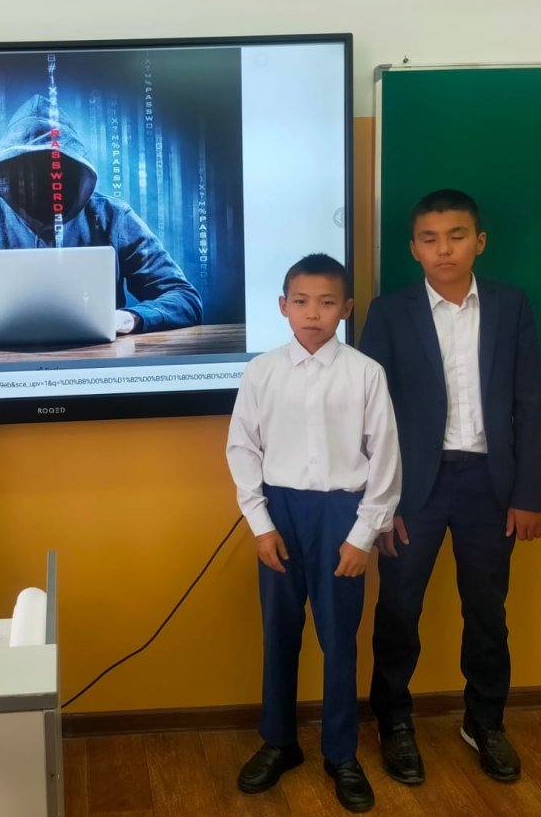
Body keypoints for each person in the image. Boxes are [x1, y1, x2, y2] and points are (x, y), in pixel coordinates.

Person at [360, 189, 541, 785]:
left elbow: (529, 404)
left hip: (489, 485)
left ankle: (484, 721)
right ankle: (393, 720)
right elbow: (370, 414)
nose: (444, 249)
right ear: (413, 248)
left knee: (487, 611)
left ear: (479, 242)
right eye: (430, 239)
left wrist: (529, 494)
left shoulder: (511, 306)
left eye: (457, 236)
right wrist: (380, 503)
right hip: (413, 487)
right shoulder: (389, 313)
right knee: (399, 609)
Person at [227, 253, 401, 814]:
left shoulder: (365, 373)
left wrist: (363, 536)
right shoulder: (262, 371)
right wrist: (260, 525)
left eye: (327, 303)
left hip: (341, 518)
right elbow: (242, 448)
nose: (312, 313)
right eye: (300, 302)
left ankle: (340, 753)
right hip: (279, 513)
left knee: (339, 640)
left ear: (346, 308)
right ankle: (279, 741)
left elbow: (385, 460)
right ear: (283, 306)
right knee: (279, 633)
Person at [0, 93, 202, 341]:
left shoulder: (113, 217)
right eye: (28, 171)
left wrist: (130, 318)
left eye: (54, 169)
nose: (42, 180)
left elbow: (184, 299)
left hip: (98, 376)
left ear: (75, 170)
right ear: (7, 172)